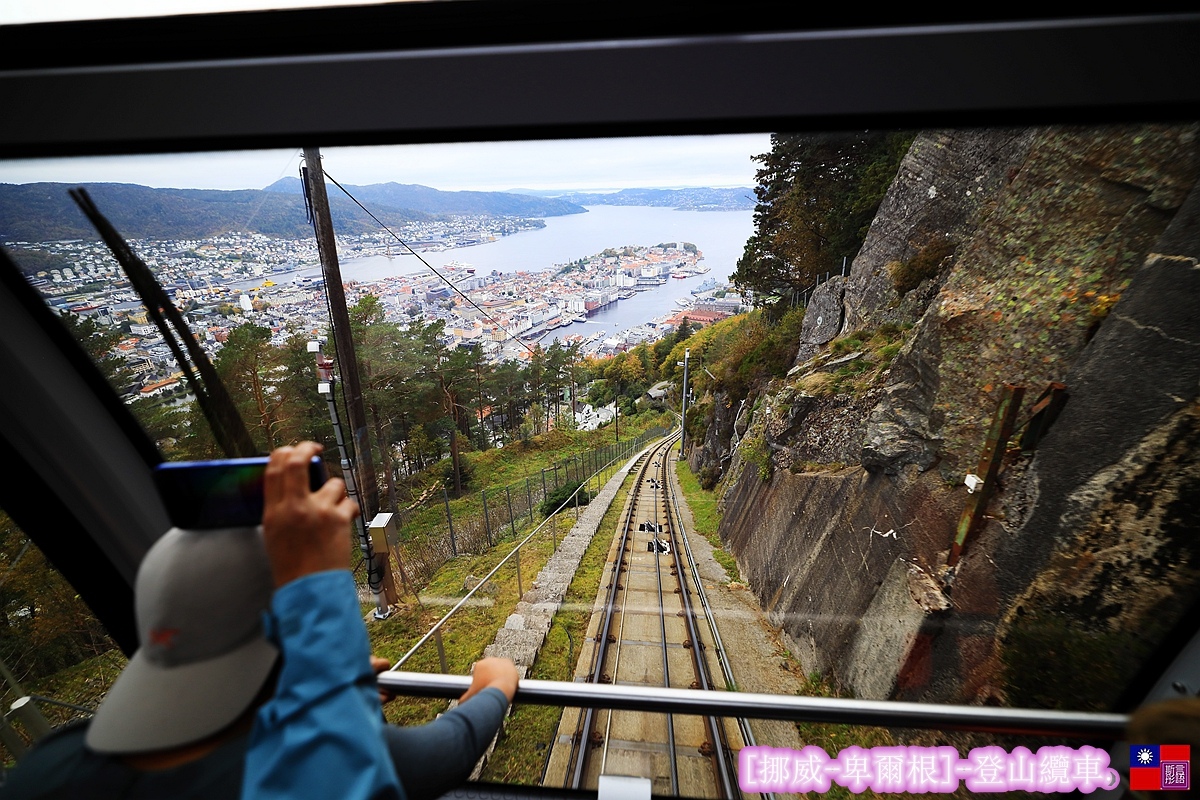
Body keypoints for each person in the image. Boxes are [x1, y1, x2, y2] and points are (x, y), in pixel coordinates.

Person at [2, 441, 519, 799]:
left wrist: (327, 690)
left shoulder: (48, 768)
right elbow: (451, 747)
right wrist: (496, 680)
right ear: (283, 647)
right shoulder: (311, 772)